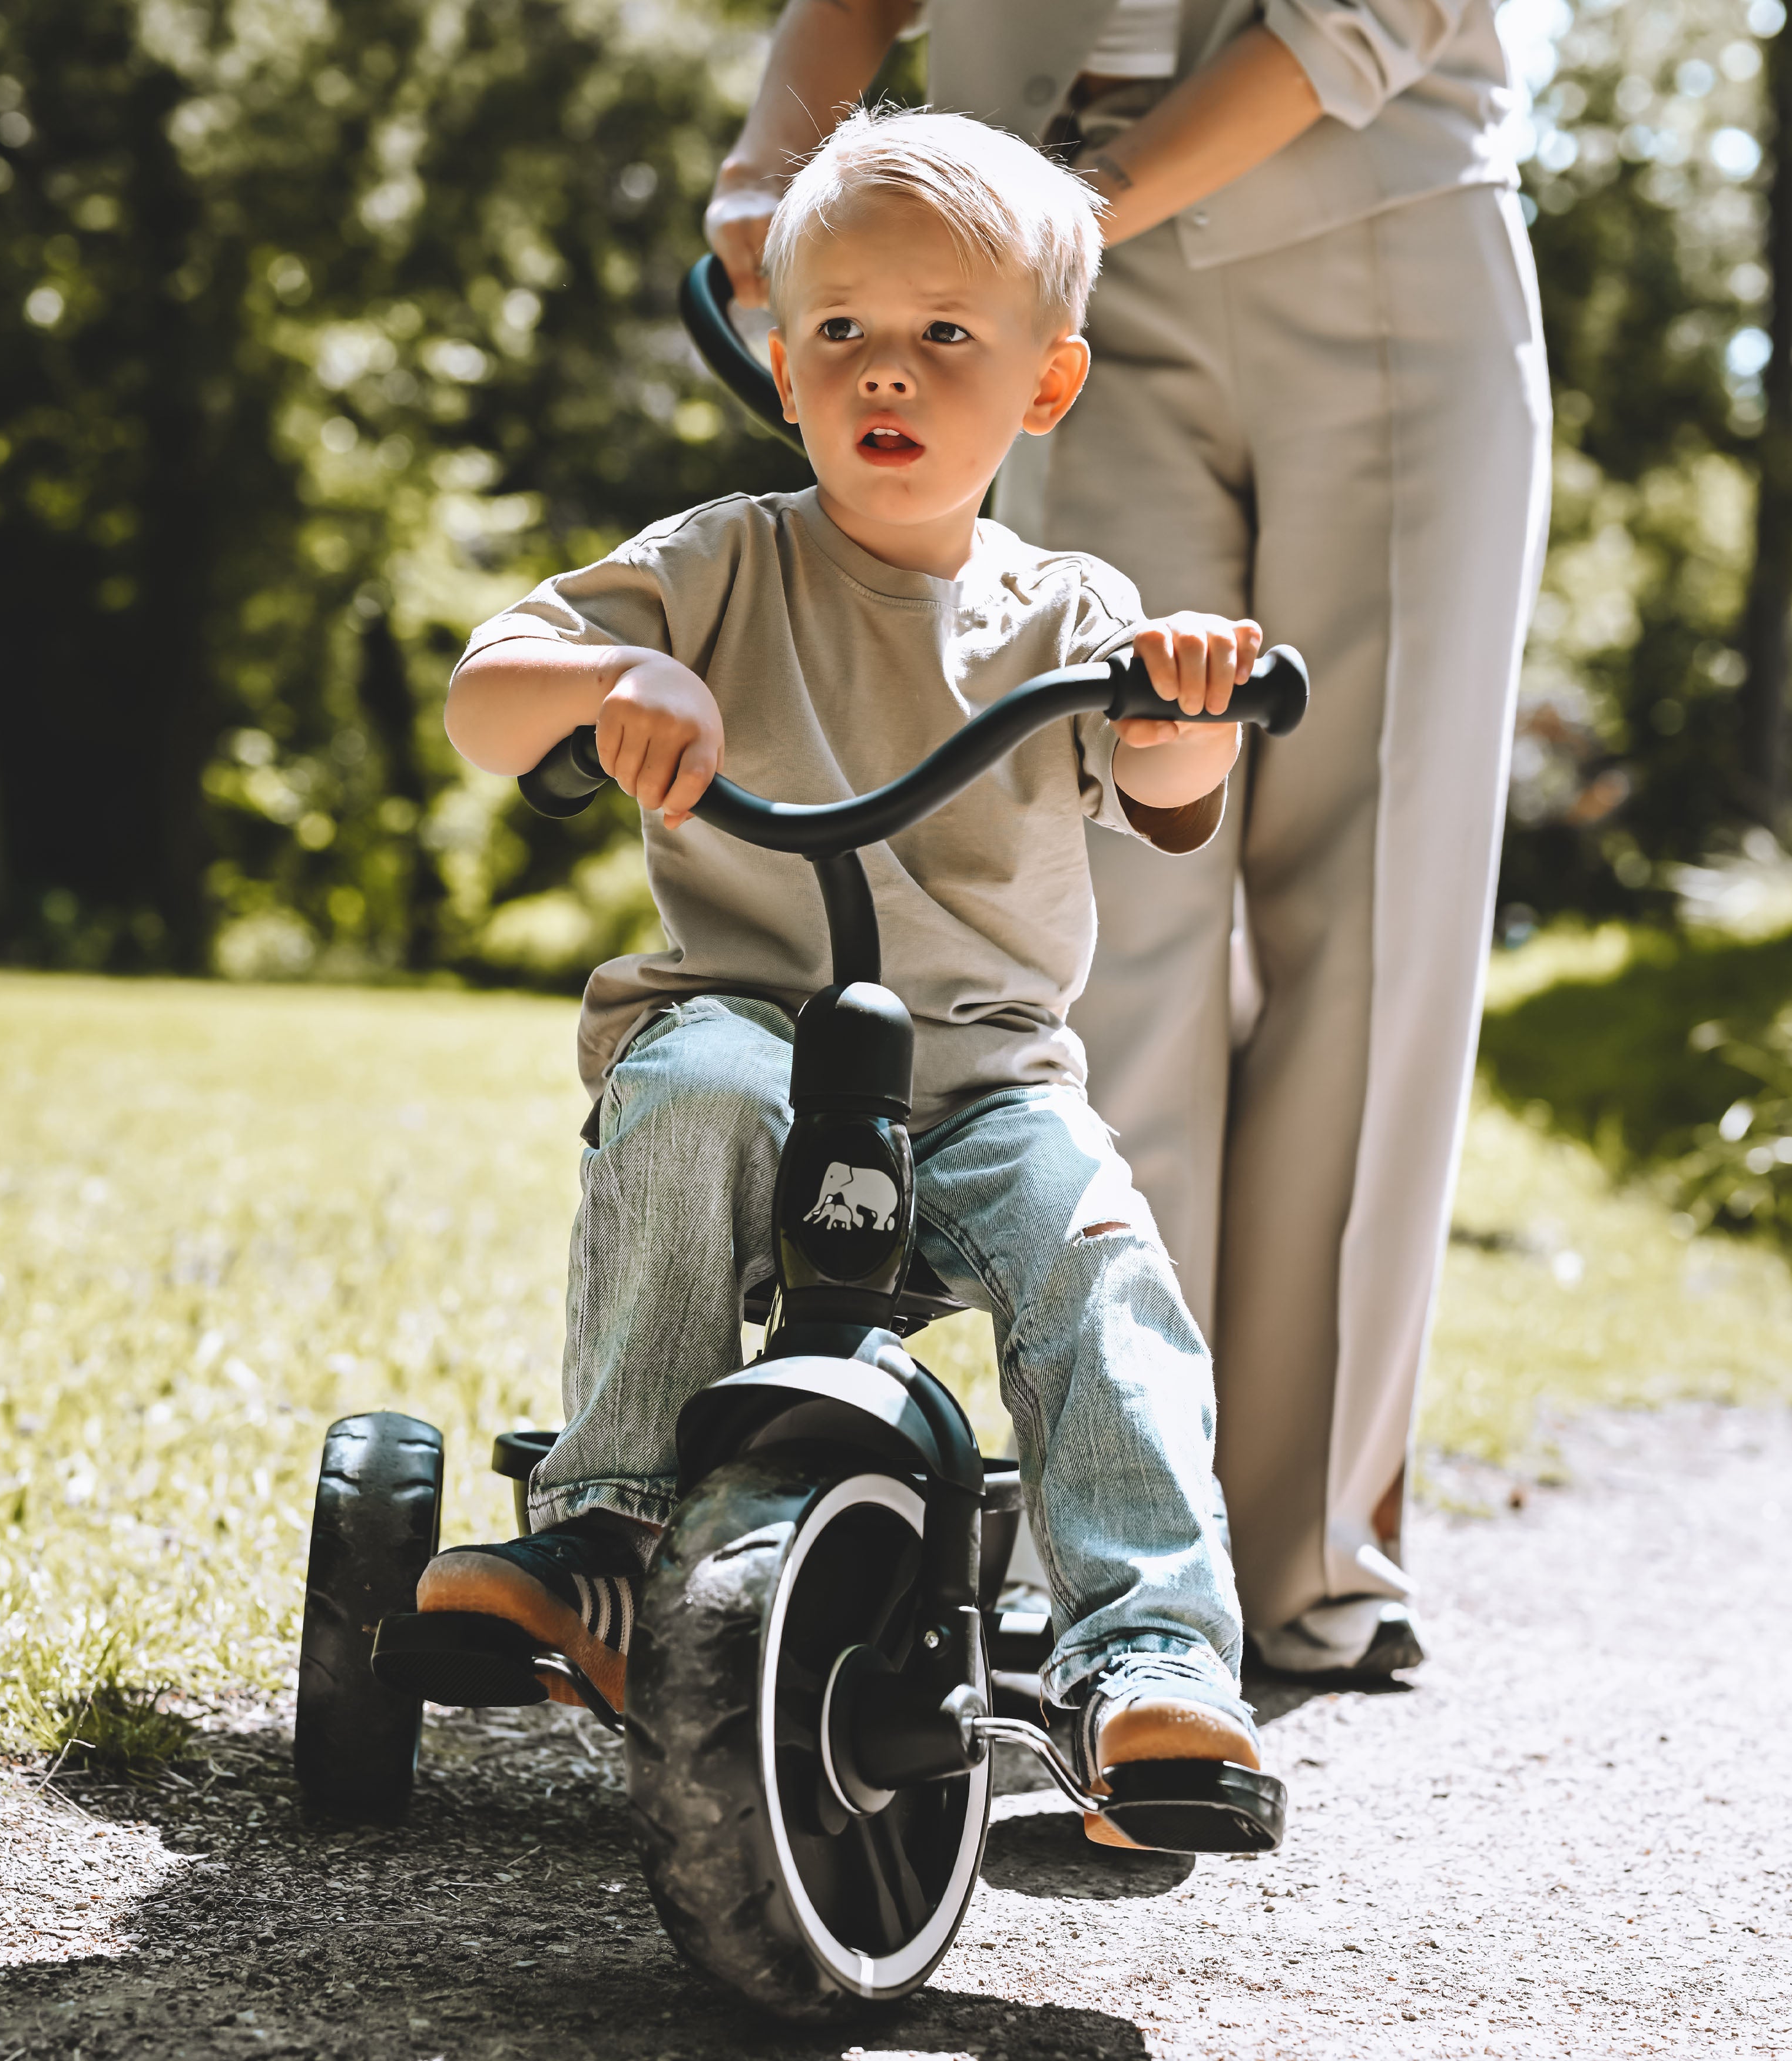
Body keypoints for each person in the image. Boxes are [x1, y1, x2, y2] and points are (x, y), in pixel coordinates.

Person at [416, 108, 1291, 1832]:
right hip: (743, 1025)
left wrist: (1186, 698)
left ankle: (1149, 1662)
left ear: (1044, 385)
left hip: (982, 1078)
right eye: (842, 334)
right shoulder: (718, 562)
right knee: (688, 1097)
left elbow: (1168, 780)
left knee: (1099, 1264)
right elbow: (484, 689)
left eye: (945, 336)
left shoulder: (1067, 612)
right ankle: (612, 1534)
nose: (886, 372)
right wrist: (605, 689)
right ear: (780, 358)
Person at [706, 0, 1551, 1676]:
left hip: (1375, 228)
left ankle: (1308, 1550)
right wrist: (773, 171)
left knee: (1373, 912)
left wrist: (1044, 223)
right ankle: (1105, 1536)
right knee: (1083, 890)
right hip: (1018, 286)